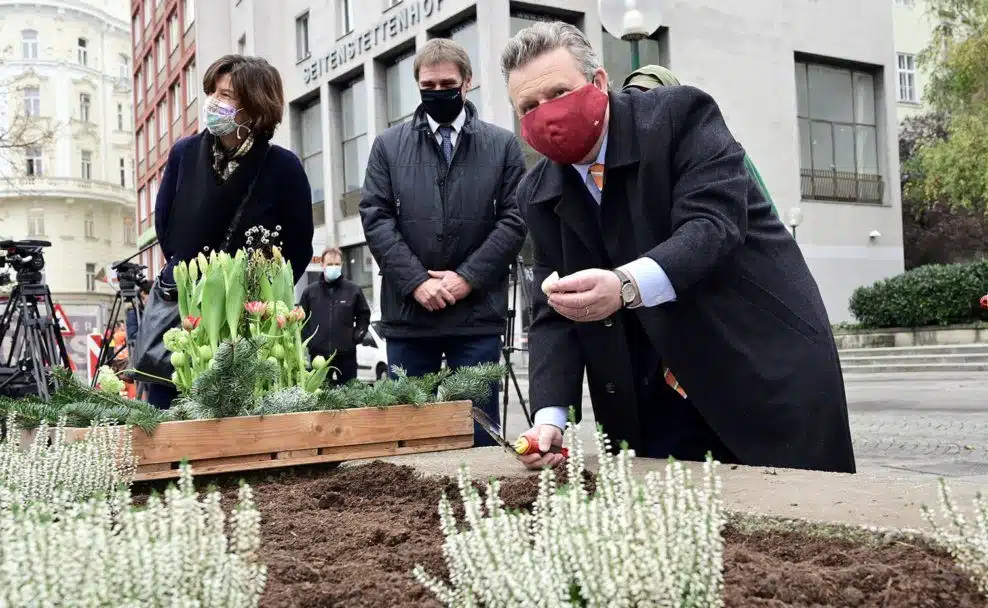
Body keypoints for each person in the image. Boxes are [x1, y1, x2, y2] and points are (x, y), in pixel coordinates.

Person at [501, 22, 855, 473]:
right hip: (648, 400)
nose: (547, 114)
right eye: (528, 106)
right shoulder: (537, 191)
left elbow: (713, 225)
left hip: (752, 364)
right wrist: (549, 419)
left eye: (558, 93)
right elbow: (554, 307)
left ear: (600, 83)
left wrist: (625, 285)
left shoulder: (679, 118)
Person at [359, 39, 527, 446]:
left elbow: (516, 217)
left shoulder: (502, 145)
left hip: (476, 315)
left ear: (466, 83)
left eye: (446, 83)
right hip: (409, 317)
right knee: (409, 437)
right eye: (427, 85)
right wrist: (418, 281)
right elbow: (376, 218)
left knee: (480, 433)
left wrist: (466, 278)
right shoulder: (388, 146)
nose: (437, 92)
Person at [148, 55, 314, 408]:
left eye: (227, 96)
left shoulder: (283, 167)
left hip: (250, 324)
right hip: (190, 317)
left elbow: (298, 248)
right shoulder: (184, 153)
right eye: (213, 93)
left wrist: (254, 297)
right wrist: (199, 288)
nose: (214, 103)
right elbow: (166, 227)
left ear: (254, 109)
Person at [622, 65, 779, 219]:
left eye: (653, 101)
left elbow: (767, 220)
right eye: (635, 103)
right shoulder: (624, 171)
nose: (642, 112)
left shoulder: (721, 152)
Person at [300, 247, 372, 386]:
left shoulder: (353, 290)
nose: (334, 267)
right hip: (318, 356)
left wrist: (357, 336)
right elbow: (301, 320)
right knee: (319, 392)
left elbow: (364, 316)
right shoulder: (310, 292)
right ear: (322, 264)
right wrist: (309, 341)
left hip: (346, 354)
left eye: (337, 264)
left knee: (350, 393)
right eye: (330, 264)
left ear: (342, 264)